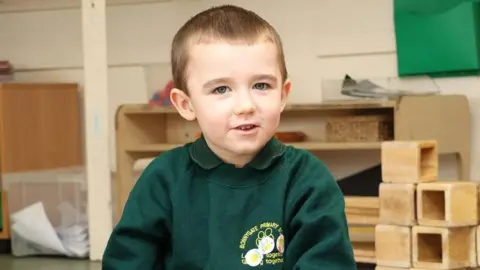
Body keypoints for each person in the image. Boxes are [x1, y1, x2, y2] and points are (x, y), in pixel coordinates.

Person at [102, 4, 356, 269]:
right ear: (186, 105)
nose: (245, 105)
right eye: (221, 89)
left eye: (261, 85)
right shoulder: (162, 180)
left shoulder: (307, 180)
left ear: (282, 94)